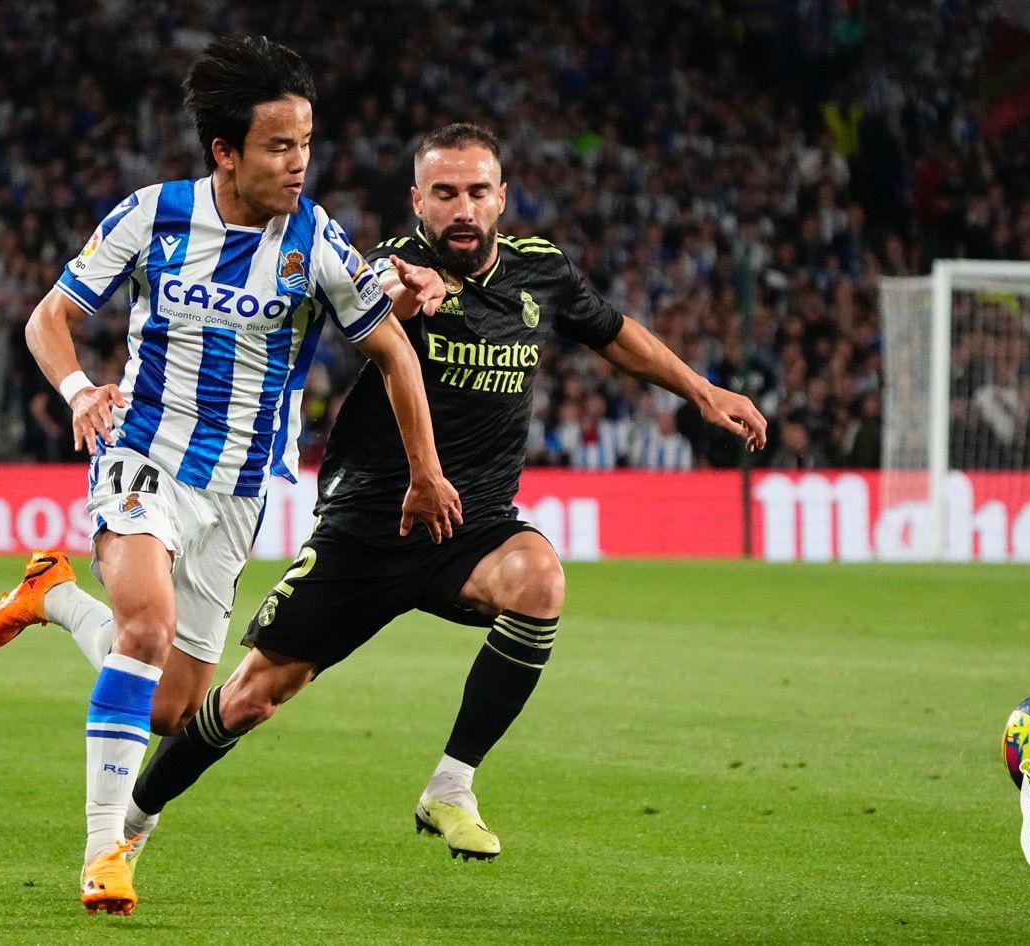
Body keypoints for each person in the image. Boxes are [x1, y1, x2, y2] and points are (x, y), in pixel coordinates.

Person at [125, 123, 767, 861]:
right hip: (369, 527)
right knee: (250, 699)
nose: (462, 208)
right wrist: (402, 292)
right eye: (444, 193)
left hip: (472, 526)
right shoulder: (388, 265)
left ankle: (451, 786)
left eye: (476, 192)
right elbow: (376, 308)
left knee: (540, 581)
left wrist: (700, 389)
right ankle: (135, 817)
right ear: (417, 202)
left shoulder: (540, 273)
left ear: (502, 197)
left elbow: (614, 332)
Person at [0, 36, 458, 915]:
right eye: (279, 145)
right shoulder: (151, 214)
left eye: (306, 142)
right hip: (143, 454)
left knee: (173, 706)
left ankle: (52, 594)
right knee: (148, 627)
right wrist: (82, 390)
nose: (298, 162)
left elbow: (390, 351)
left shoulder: (313, 238)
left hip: (237, 492)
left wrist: (426, 471)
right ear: (225, 152)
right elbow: (51, 317)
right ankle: (102, 854)